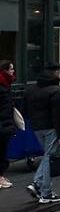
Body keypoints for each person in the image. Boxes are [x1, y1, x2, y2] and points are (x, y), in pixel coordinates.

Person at [23, 62, 60, 205]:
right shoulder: (56, 90)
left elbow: (25, 109)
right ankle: (45, 192)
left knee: (47, 156)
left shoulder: (31, 89)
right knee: (49, 158)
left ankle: (37, 184)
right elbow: (58, 115)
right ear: (56, 73)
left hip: (36, 127)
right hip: (50, 128)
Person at [0, 60, 18, 190]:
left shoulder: (5, 85)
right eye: (11, 69)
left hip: (5, 123)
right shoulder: (3, 86)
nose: (13, 71)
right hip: (2, 124)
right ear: (5, 70)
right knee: (1, 151)